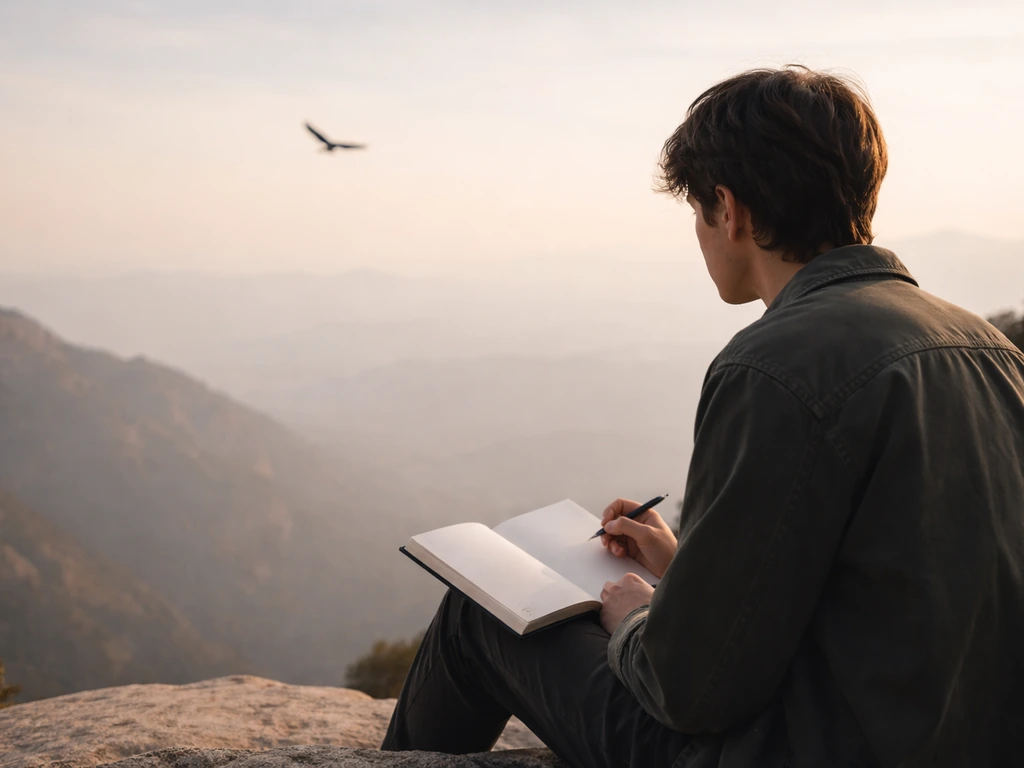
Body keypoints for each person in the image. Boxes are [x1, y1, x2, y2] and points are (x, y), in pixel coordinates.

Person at [380, 65, 1024, 767]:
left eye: (696, 210)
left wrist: (637, 617)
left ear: (729, 208)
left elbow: (688, 691)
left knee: (477, 612)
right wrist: (685, 569)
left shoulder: (773, 365)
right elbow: (880, 586)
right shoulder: (989, 349)